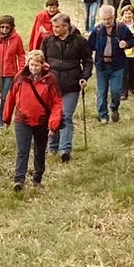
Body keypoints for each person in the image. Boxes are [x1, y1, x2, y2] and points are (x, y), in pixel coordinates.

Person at [2, 48, 63, 191]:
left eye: (36, 65)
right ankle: (19, 180)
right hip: (22, 119)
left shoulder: (50, 80)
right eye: (31, 65)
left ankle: (37, 178)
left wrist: (53, 124)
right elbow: (10, 97)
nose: (33, 68)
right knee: (22, 150)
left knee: (40, 151)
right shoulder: (20, 77)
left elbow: (57, 103)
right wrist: (6, 118)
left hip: (41, 120)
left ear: (42, 65)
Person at [42, 11, 91, 162]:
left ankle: (65, 149)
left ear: (66, 26)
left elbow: (88, 61)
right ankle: (52, 145)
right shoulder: (48, 41)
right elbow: (40, 59)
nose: (54, 29)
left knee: (66, 116)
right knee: (52, 116)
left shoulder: (79, 41)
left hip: (71, 85)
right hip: (51, 85)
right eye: (53, 26)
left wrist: (84, 77)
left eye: (57, 27)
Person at [89, 4, 134, 122]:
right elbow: (89, 46)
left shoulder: (122, 28)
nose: (106, 21)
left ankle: (114, 108)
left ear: (113, 17)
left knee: (116, 90)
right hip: (101, 65)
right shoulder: (97, 30)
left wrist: (126, 43)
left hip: (117, 65)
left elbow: (132, 40)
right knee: (101, 91)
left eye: (108, 19)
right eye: (104, 19)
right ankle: (103, 115)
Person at [0, 15, 26, 110]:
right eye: (2, 27)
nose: (4, 29)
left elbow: (21, 54)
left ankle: (2, 118)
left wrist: (21, 70)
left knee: (5, 97)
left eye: (7, 27)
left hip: (9, 73)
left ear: (12, 27)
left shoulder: (17, 38)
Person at [118, 7, 134, 100]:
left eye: (129, 13)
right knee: (124, 71)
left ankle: (131, 89)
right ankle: (123, 92)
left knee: (132, 71)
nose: (127, 15)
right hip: (123, 52)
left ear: (133, 14)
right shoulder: (119, 25)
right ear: (122, 14)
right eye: (125, 13)